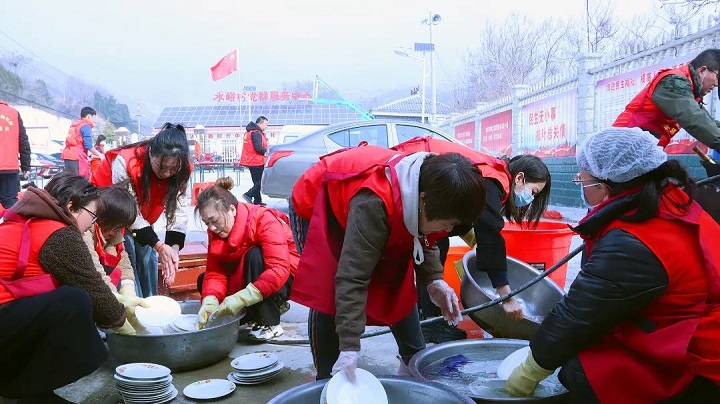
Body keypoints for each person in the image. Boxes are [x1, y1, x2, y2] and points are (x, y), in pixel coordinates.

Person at [504, 127, 720, 403]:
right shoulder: (671, 200)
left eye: (582, 180)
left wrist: (530, 370)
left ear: (604, 188)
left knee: (578, 371)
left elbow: (579, 314)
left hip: (700, 357)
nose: (582, 187)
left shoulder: (634, 240)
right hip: (678, 327)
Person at [290, 144, 486, 381]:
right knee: (328, 288)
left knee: (397, 276)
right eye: (447, 224)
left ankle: (412, 358)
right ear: (422, 201)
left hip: (368, 205)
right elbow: (353, 276)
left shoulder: (429, 192)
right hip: (319, 200)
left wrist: (435, 281)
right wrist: (350, 345)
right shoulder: (374, 203)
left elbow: (424, 238)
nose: (448, 230)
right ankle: (328, 374)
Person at [392, 137, 551, 343]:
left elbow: (472, 219)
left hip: (411, 175)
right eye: (533, 192)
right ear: (519, 178)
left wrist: (474, 240)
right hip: (403, 176)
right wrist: (506, 297)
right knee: (431, 245)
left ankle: (428, 320)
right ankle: (429, 325)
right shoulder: (494, 180)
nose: (530, 199)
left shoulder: (492, 172)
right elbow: (490, 233)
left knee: (438, 240)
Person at [0, 172, 135, 403]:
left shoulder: (33, 219)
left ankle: (33, 391)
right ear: (72, 207)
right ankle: (23, 390)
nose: (91, 225)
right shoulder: (58, 233)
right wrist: (130, 331)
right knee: (74, 301)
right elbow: (93, 289)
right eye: (92, 216)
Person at [91, 123, 192, 298]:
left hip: (143, 215)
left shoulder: (183, 169)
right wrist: (159, 246)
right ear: (151, 152)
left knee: (148, 258)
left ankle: (151, 301)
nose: (167, 173)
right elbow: (131, 212)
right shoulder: (126, 161)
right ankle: (133, 302)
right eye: (162, 167)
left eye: (173, 169)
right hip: (115, 214)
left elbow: (179, 210)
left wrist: (172, 251)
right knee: (128, 258)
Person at [193, 177, 297, 341]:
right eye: (207, 223)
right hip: (248, 274)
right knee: (204, 280)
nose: (212, 228)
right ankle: (247, 316)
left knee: (254, 256)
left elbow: (278, 269)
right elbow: (215, 272)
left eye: (215, 221)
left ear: (232, 210)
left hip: (286, 277)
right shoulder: (216, 231)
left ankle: (269, 322)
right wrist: (210, 301)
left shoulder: (263, 219)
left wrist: (241, 298)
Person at [613, 49, 720, 153]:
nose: (717, 84)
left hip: (641, 147)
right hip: (623, 145)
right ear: (702, 71)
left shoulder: (689, 92)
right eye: (718, 77)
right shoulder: (673, 82)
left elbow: (709, 123)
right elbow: (694, 119)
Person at [82, 185, 144, 309]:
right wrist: (116, 302)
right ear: (104, 217)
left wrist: (129, 290)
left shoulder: (114, 234)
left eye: (121, 228)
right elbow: (95, 271)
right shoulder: (86, 231)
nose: (116, 232)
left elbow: (124, 263)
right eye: (115, 227)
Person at [0, 101, 31, 209]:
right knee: (9, 202)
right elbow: (23, 141)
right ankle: (9, 220)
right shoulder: (13, 113)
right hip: (9, 166)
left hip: (9, 166)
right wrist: (26, 165)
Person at [62, 107, 102, 178]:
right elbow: (88, 145)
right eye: (94, 118)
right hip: (77, 156)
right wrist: (100, 155)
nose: (95, 121)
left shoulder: (75, 125)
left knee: (70, 179)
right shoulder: (86, 126)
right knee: (80, 179)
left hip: (67, 155)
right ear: (89, 116)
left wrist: (89, 156)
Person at [240, 116, 268, 206]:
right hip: (257, 161)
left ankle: (257, 200)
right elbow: (258, 148)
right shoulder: (256, 133)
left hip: (251, 161)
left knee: (256, 182)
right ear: (260, 123)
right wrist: (268, 152)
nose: (266, 126)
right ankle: (248, 194)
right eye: (265, 124)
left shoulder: (250, 132)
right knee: (262, 180)